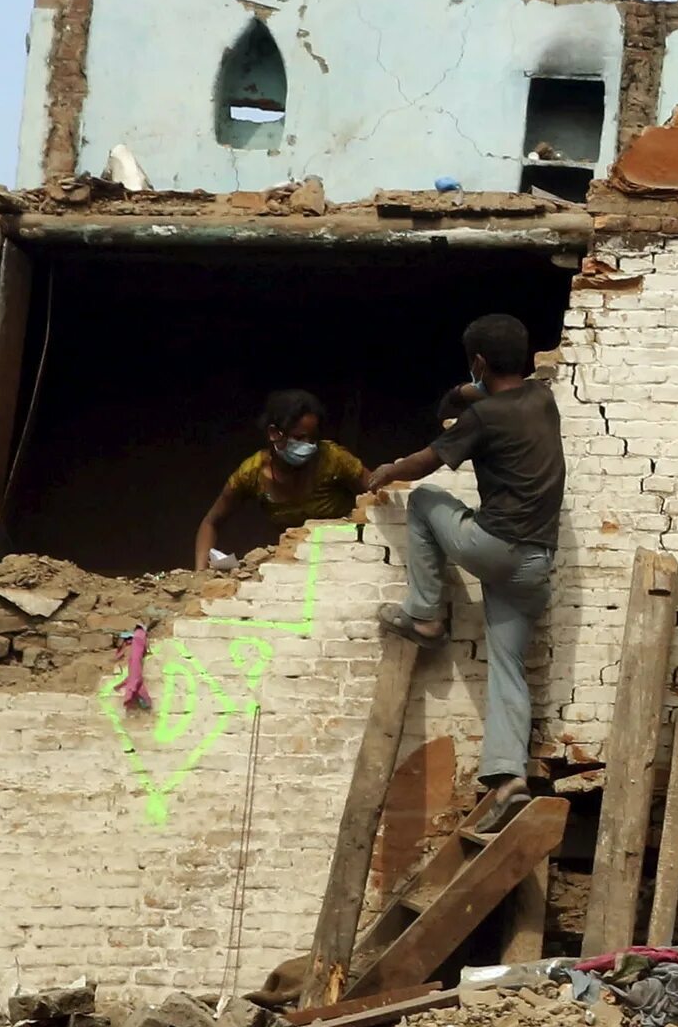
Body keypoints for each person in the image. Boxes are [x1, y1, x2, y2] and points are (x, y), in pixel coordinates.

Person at [358, 314, 563, 817]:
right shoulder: (543, 399)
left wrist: (383, 471)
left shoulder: (483, 420)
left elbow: (425, 463)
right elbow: (488, 398)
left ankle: (425, 613)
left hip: (496, 546)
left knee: (426, 500)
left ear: (477, 362)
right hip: (535, 563)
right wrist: (463, 393)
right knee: (508, 669)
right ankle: (509, 781)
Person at [193, 389, 368, 573]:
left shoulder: (333, 459)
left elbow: (380, 493)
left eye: (313, 438)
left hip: (347, 562)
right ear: (274, 433)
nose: (308, 446)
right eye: (300, 438)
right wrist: (200, 574)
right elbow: (210, 523)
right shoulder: (252, 473)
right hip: (295, 569)